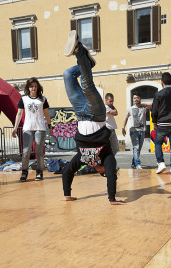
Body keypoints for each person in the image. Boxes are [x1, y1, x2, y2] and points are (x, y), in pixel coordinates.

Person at [62, 30, 125, 205]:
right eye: (102, 172)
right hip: (97, 114)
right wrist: (112, 199)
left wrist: (67, 195)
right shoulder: (107, 156)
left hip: (80, 114)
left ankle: (87, 63)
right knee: (87, 86)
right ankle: (79, 50)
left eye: (101, 173)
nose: (101, 171)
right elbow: (111, 173)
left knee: (68, 75)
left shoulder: (83, 158)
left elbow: (68, 171)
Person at [12, 77, 53, 181]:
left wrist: (50, 127)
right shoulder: (24, 99)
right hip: (27, 129)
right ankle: (24, 172)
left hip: (40, 128)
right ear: (28, 88)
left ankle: (39, 172)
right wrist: (15, 128)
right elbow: (19, 113)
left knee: (39, 152)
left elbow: (47, 114)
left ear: (37, 87)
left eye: (35, 86)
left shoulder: (42, 99)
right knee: (26, 151)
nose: (33, 88)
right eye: (31, 86)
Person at [122, 91, 152, 169]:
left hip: (142, 130)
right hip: (133, 131)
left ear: (140, 98)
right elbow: (125, 118)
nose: (135, 99)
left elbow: (152, 104)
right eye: (134, 98)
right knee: (136, 147)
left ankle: (133, 163)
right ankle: (138, 164)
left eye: (137, 98)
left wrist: (142, 103)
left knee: (138, 148)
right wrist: (123, 128)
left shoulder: (143, 107)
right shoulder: (130, 109)